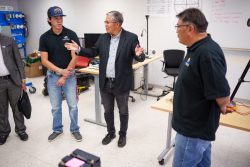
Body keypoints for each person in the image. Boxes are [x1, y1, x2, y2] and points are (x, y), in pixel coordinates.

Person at [65, 11, 145, 147]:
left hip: (121, 82)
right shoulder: (103, 38)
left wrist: (139, 55)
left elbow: (139, 56)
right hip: (105, 82)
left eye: (108, 22)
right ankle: (110, 132)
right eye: (105, 22)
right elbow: (93, 52)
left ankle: (122, 135)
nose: (105, 24)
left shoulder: (131, 38)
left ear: (117, 24)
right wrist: (79, 49)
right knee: (108, 110)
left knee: (123, 111)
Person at [172, 8, 234, 167]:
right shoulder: (196, 48)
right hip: (195, 128)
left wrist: (223, 104)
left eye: (178, 27)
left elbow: (222, 93)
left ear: (190, 28)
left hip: (193, 131)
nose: (176, 31)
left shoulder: (207, 53)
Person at [39, 6, 82, 142]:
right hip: (52, 77)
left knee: (73, 105)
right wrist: (59, 72)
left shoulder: (71, 35)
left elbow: (75, 57)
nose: (59, 21)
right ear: (49, 20)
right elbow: (44, 61)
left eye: (61, 18)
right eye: (56, 18)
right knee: (56, 107)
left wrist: (64, 75)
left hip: (69, 75)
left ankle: (75, 129)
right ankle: (57, 129)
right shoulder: (44, 38)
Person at [0, 33, 28, 145]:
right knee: (1, 110)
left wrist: (23, 79)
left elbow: (18, 60)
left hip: (13, 80)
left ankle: (21, 130)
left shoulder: (9, 40)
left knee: (17, 107)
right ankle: (3, 132)